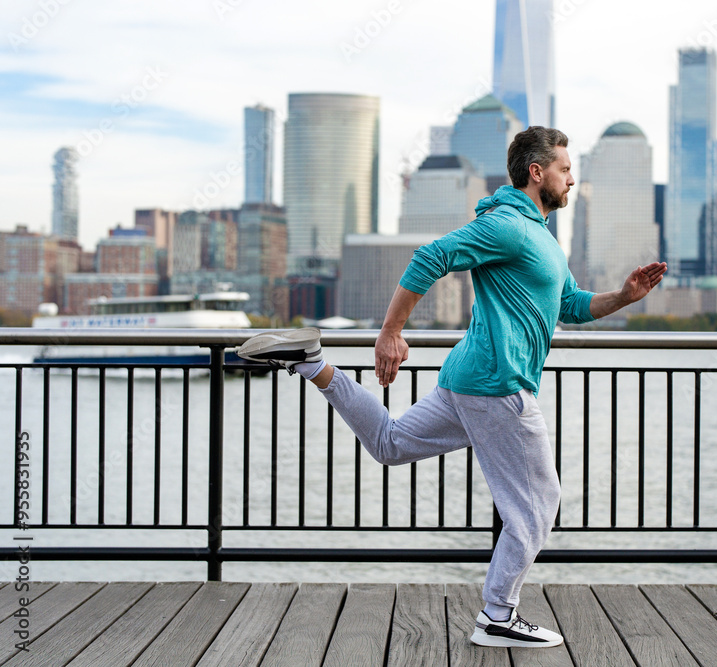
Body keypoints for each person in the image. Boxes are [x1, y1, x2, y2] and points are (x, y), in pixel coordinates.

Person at [237, 126, 666, 649]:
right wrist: (391, 332)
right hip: (499, 386)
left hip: (468, 380)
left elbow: (569, 305)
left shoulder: (539, 236)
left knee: (389, 444)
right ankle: (497, 615)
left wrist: (624, 295)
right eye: (565, 168)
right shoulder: (509, 226)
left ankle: (311, 364)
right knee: (537, 506)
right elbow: (430, 257)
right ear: (538, 173)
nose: (572, 178)